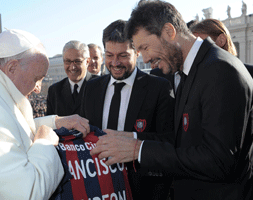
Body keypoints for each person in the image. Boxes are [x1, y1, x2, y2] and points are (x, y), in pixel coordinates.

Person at [90, 1, 253, 200]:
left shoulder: (220, 70)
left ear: (169, 31)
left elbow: (218, 161)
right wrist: (131, 138)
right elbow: (180, 141)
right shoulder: (189, 72)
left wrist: (138, 150)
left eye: (145, 47)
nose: (147, 58)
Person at [0, 29, 90, 200]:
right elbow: (27, 193)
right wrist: (45, 143)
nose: (38, 88)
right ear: (12, 68)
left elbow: (10, 127)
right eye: (36, 78)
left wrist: (55, 122)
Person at [81, 19, 175, 200]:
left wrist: (131, 140)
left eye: (123, 56)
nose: (115, 63)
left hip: (145, 191)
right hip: (99, 189)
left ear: (137, 52)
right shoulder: (91, 88)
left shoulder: (159, 88)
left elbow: (169, 140)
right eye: (109, 55)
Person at [46, 40, 93, 116]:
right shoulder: (54, 91)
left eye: (77, 61)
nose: (72, 67)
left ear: (87, 61)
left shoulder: (100, 86)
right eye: (68, 61)